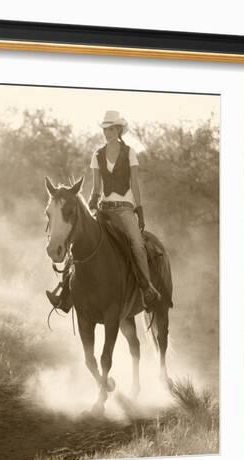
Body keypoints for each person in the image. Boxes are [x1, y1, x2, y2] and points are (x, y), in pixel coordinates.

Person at [46, 110, 160, 312]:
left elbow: (134, 183)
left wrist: (139, 210)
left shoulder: (130, 153)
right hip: (104, 209)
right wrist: (91, 204)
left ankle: (146, 289)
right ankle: (65, 293)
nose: (107, 132)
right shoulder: (97, 155)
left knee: (137, 245)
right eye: (105, 129)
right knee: (78, 241)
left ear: (119, 130)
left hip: (125, 210)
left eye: (111, 129)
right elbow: (97, 188)